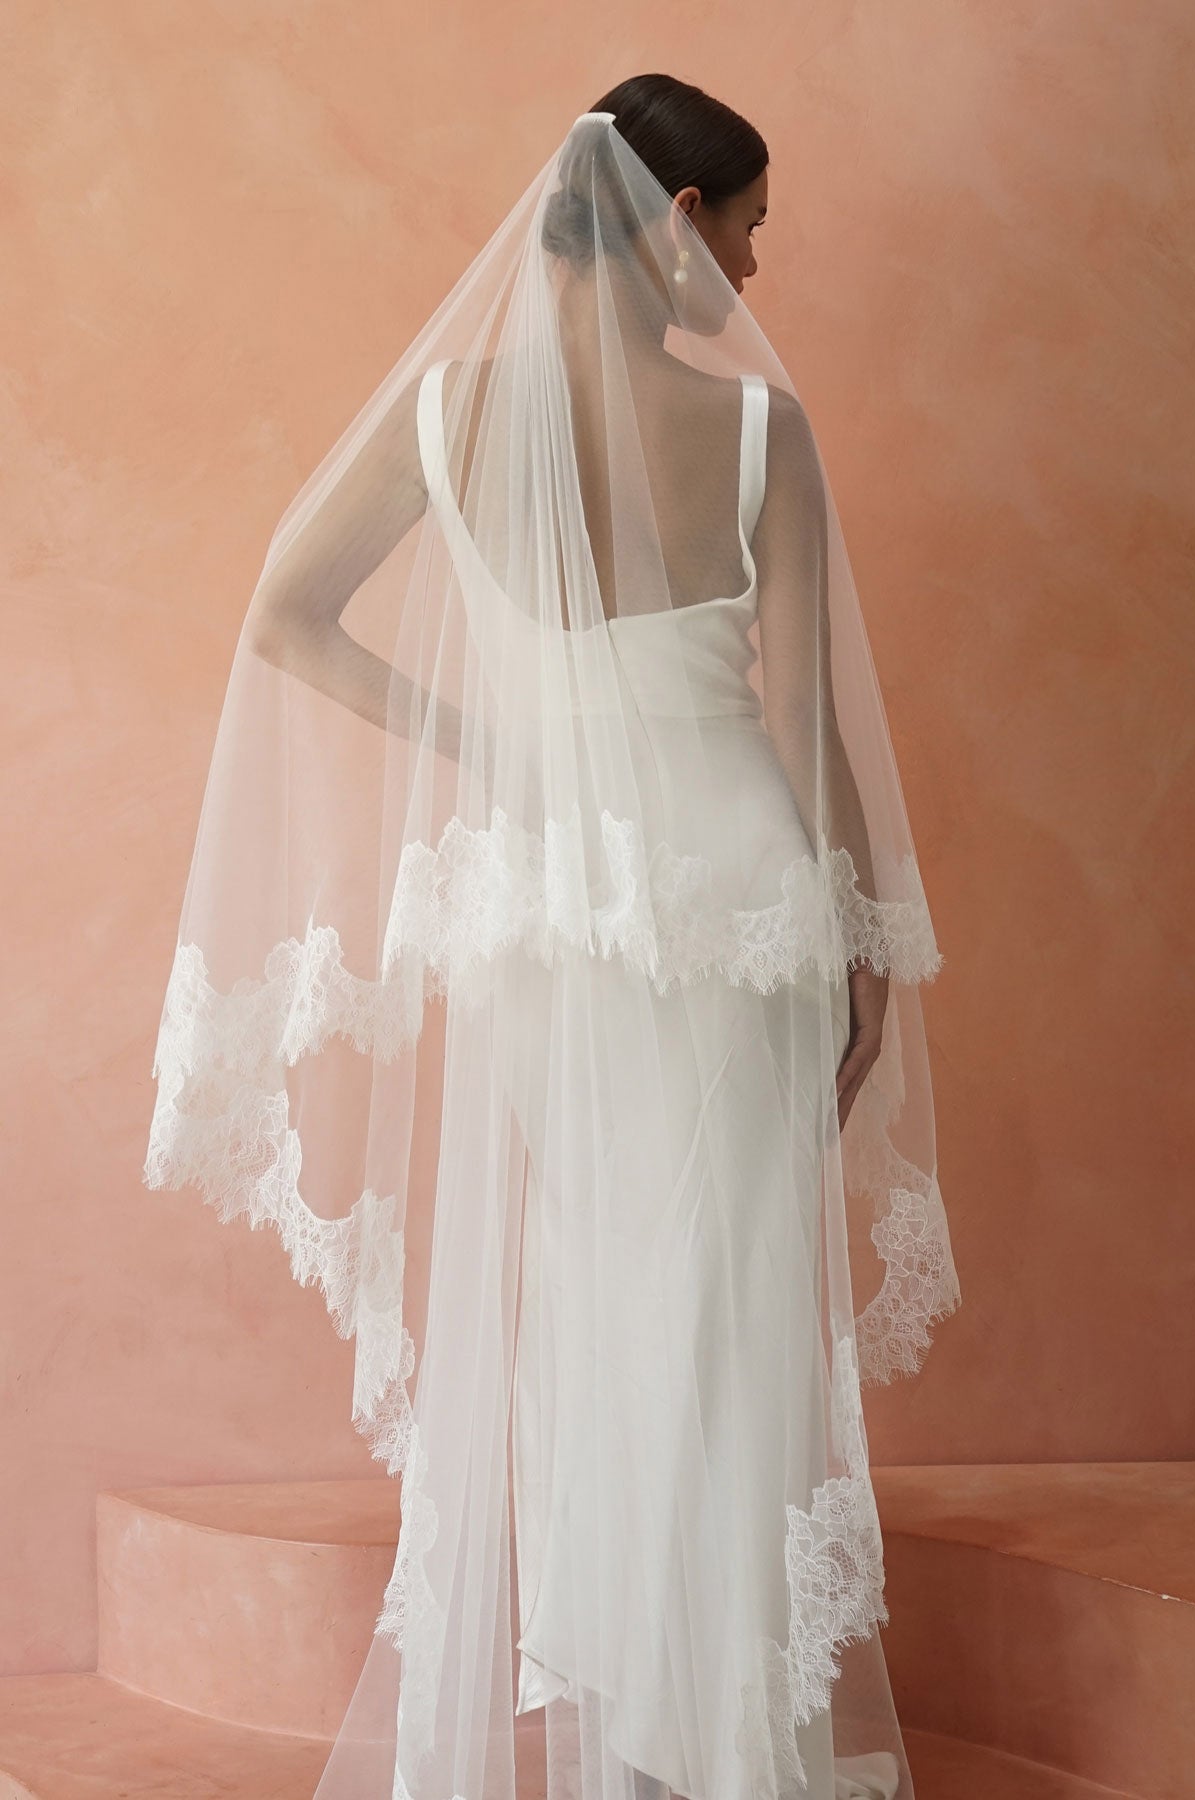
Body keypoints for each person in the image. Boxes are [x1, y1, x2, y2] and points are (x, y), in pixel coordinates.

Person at [144, 73, 960, 1800]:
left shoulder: (455, 412)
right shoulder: (756, 435)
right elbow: (804, 722)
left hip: (553, 912)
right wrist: (866, 940)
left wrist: (485, 740)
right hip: (741, 908)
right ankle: (734, 1742)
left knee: (595, 1307)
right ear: (674, 227)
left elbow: (289, 610)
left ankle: (638, 1732)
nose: (755, 259)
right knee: (729, 1324)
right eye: (743, 224)